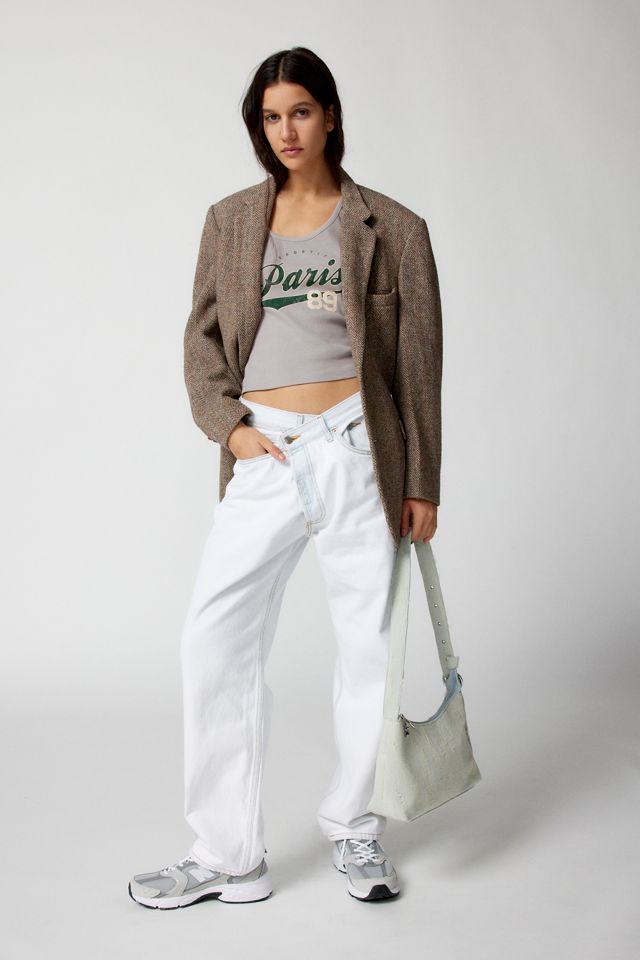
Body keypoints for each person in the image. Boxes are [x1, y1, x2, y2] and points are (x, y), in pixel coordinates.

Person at [128, 45, 442, 908]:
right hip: (266, 451)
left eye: (300, 111)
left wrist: (422, 480)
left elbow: (419, 367)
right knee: (214, 638)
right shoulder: (231, 220)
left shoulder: (394, 228)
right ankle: (228, 854)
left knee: (368, 647)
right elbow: (201, 339)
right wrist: (229, 429)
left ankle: (355, 828)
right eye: (270, 117)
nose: (286, 130)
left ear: (330, 116)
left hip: (359, 450)